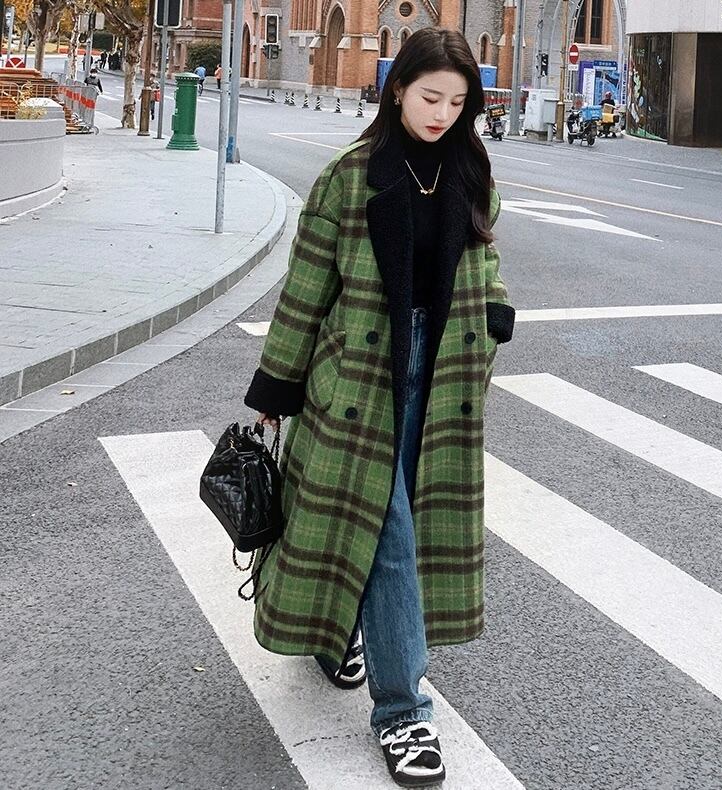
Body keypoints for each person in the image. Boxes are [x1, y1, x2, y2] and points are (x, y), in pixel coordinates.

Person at [243, 26, 514, 788]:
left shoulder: (470, 172)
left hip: (444, 372)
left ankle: (337, 635)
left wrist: (496, 312)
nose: (442, 114)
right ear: (397, 90)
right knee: (390, 532)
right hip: (359, 380)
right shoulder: (349, 177)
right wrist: (276, 390)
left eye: (457, 103)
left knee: (394, 523)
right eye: (430, 97)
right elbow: (306, 290)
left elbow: (485, 258)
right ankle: (403, 712)